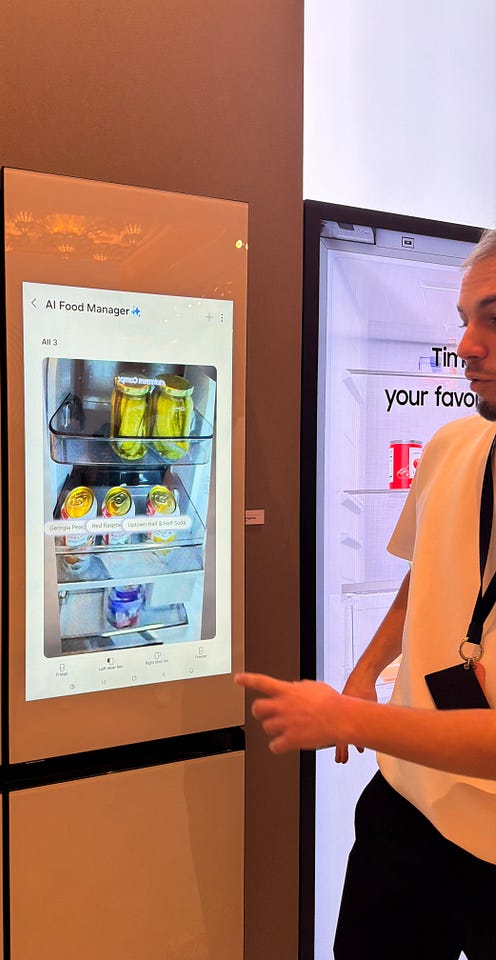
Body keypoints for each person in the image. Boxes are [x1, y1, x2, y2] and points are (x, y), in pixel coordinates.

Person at [236, 227, 496, 960]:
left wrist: (345, 715)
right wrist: (366, 669)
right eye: (464, 319)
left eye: (495, 318)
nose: (467, 345)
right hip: (407, 804)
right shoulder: (455, 443)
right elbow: (429, 571)